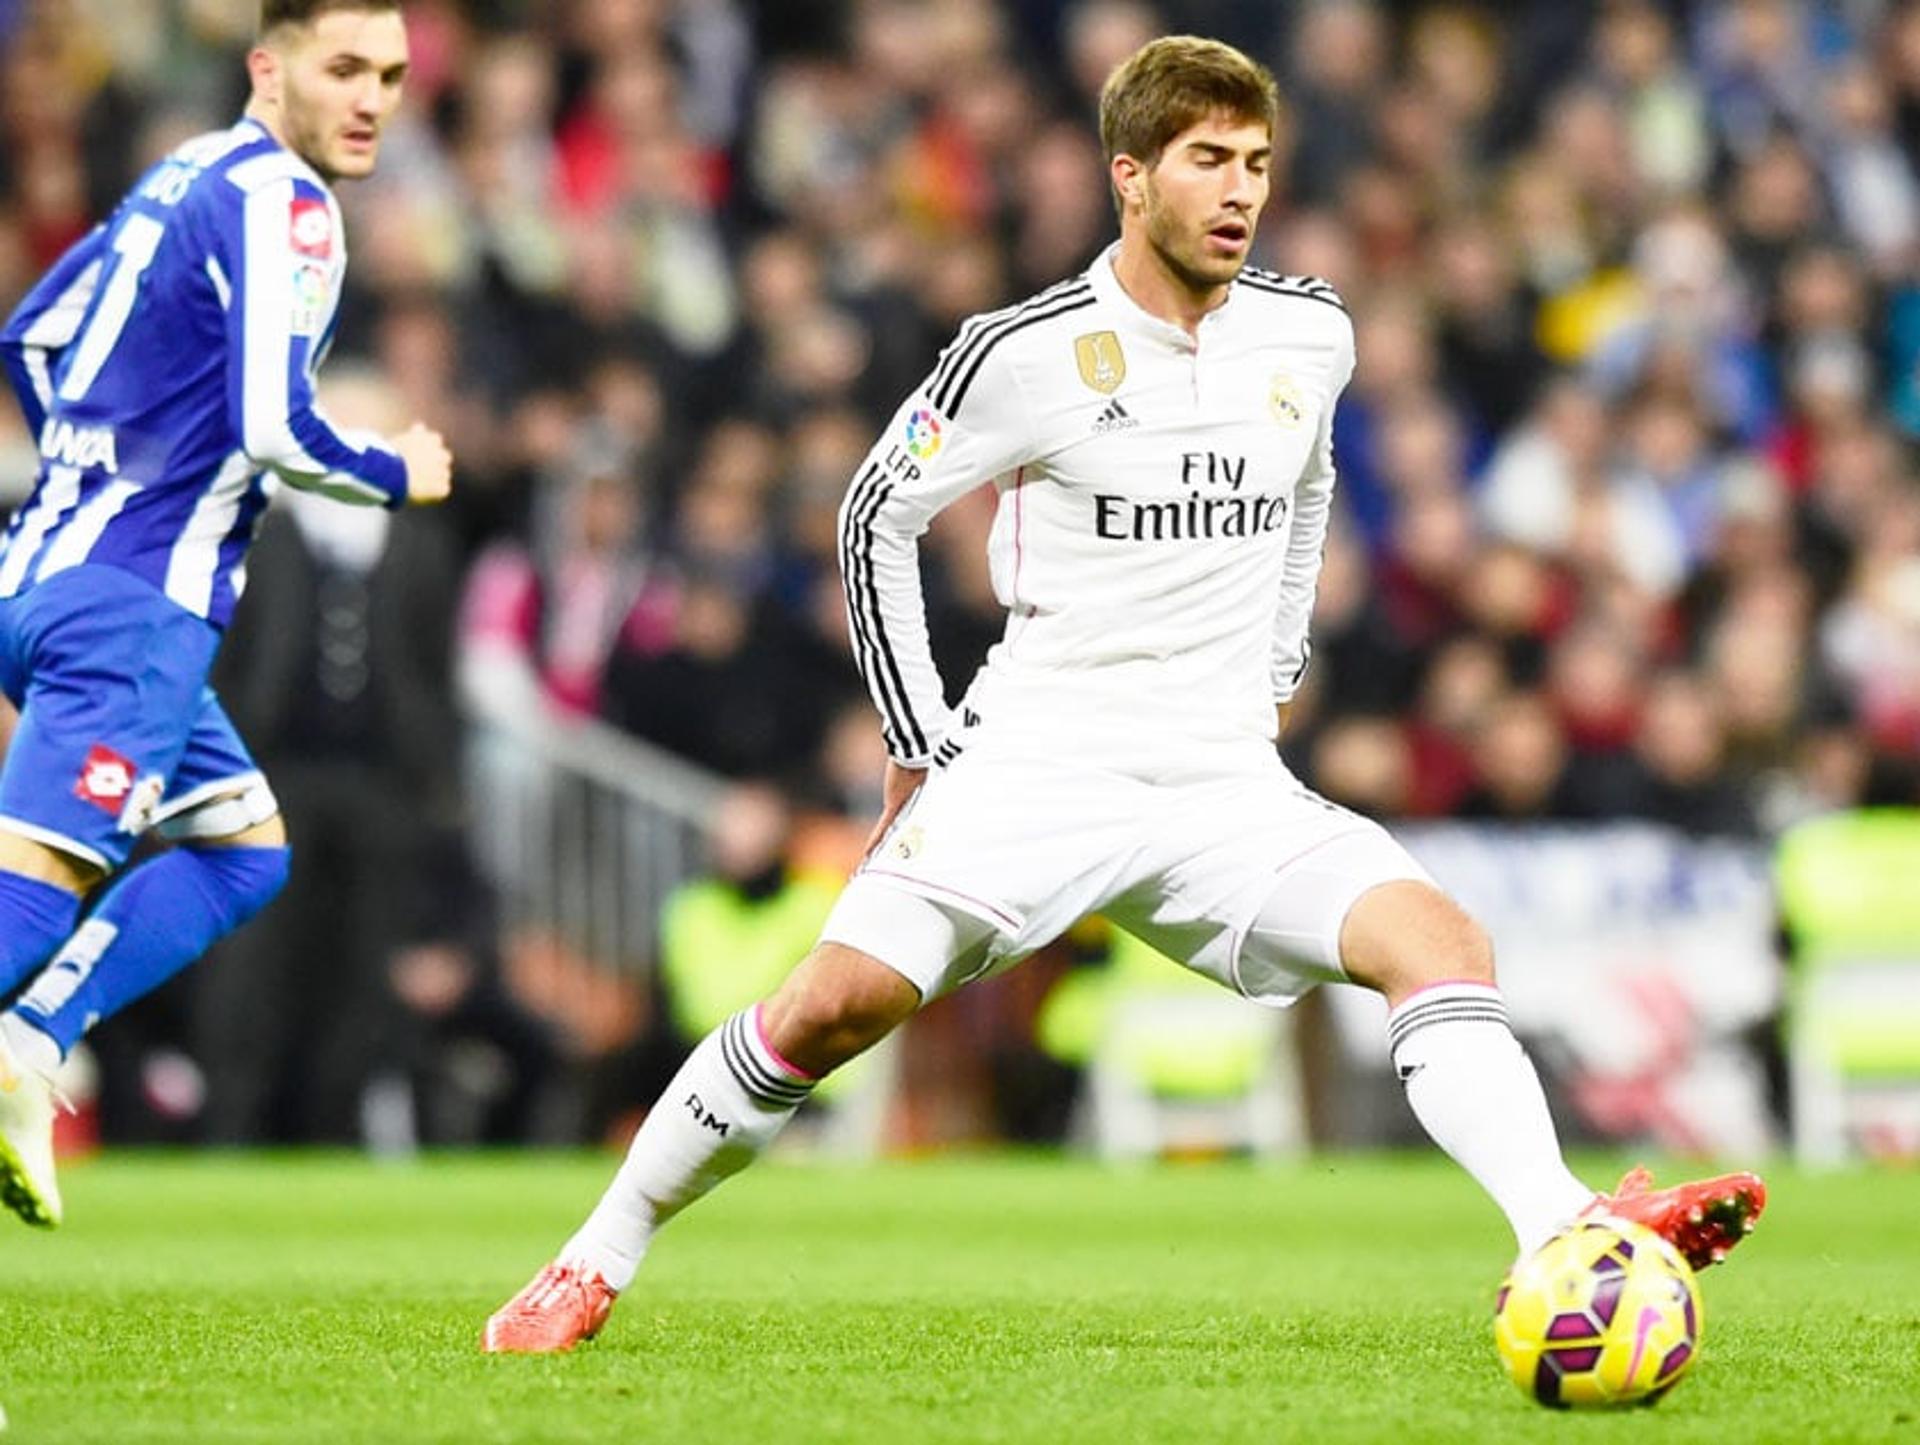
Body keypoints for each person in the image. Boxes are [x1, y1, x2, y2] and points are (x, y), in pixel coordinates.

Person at [482, 35, 1764, 1354]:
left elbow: (1308, 487)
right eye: (1208, 160)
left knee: (1440, 945)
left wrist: (1270, 671)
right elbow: (875, 509)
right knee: (828, 1007)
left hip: (1218, 779)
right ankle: (595, 1255)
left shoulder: (1308, 333)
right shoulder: (1029, 352)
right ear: (1131, 178)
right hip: (1039, 761)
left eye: (1257, 164)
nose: (1239, 191)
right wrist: (920, 741)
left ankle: (1565, 1226)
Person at [0, 0, 451, 1226]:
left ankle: (31, 1048)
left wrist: (104, 478)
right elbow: (272, 425)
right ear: (269, 66)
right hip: (133, 607)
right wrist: (390, 471)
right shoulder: (290, 205)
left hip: (45, 574)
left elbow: (31, 337)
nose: (372, 99)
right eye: (343, 67)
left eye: (393, 76)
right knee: (30, 889)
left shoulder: (185, 171)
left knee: (246, 847)